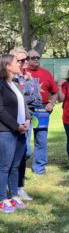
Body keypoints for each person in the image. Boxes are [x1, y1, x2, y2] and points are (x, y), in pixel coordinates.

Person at [0, 54, 30, 213]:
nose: (20, 64)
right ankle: (2, 199)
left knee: (15, 166)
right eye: (16, 62)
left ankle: (14, 195)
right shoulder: (1, 85)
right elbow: (1, 111)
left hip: (21, 131)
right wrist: (16, 126)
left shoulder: (16, 84)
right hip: (6, 132)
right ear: (7, 66)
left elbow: (23, 105)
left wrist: (27, 120)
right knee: (4, 166)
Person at [11, 49, 41, 200]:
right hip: (11, 121)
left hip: (27, 119)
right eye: (21, 60)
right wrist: (26, 98)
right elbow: (13, 101)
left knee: (25, 153)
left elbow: (37, 99)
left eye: (26, 59)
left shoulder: (30, 79)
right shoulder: (9, 79)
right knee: (12, 154)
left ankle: (19, 187)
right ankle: (10, 186)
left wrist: (27, 94)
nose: (25, 62)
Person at [27, 50, 58, 175]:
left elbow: (55, 92)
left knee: (41, 139)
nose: (36, 59)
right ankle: (18, 164)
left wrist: (52, 103)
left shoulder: (46, 73)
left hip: (42, 110)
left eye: (38, 57)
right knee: (24, 141)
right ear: (27, 59)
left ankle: (39, 168)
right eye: (33, 57)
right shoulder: (21, 73)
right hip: (26, 109)